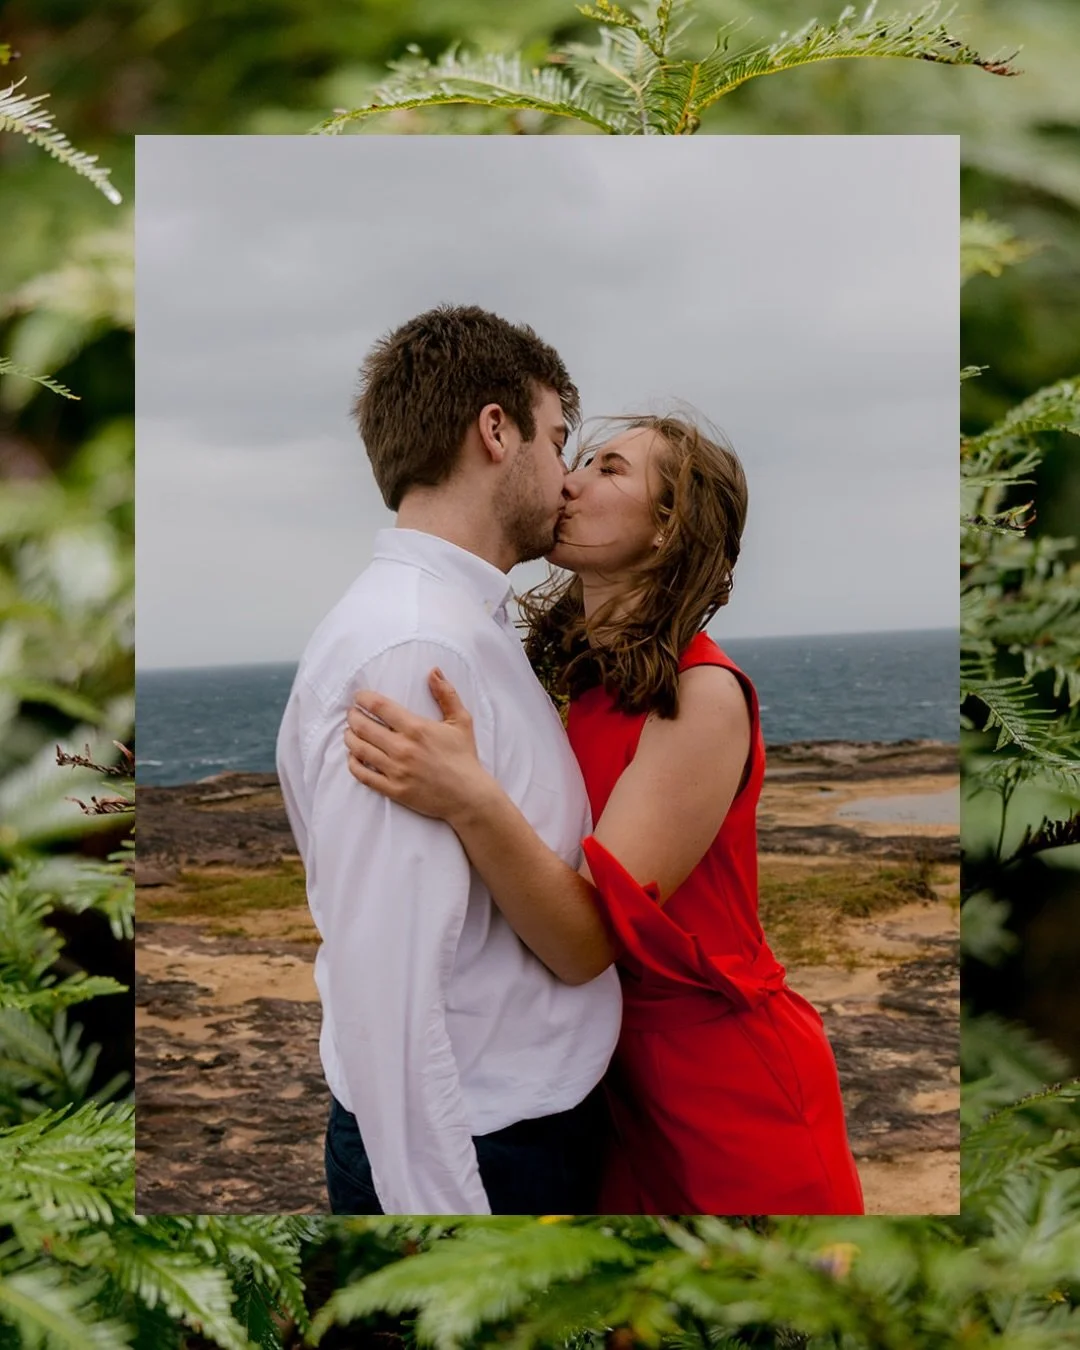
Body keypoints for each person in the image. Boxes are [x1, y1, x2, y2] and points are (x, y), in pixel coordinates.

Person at [343, 411, 866, 1215]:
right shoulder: (557, 677)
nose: (570, 479)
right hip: (599, 1082)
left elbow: (584, 934)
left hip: (723, 1084)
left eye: (610, 468)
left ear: (668, 530)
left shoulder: (701, 697)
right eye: (577, 458)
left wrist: (468, 794)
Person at [276, 304, 622, 1216]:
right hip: (479, 1154)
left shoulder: (459, 624)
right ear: (496, 431)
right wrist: (445, 1222)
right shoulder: (416, 648)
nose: (567, 475)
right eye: (559, 439)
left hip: (510, 1128)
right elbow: (386, 980)